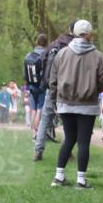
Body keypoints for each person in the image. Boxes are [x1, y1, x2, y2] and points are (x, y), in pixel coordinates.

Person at [48, 20, 103, 189]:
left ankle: (58, 177)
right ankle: (81, 180)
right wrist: (93, 90)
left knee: (69, 139)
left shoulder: (62, 54)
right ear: (90, 35)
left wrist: (54, 100)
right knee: (83, 142)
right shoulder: (99, 57)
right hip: (88, 105)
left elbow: (53, 80)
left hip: (65, 103)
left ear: (74, 33)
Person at [33, 21, 76, 161]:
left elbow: (42, 62)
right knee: (68, 121)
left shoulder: (53, 44)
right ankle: (67, 151)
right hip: (66, 88)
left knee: (45, 119)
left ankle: (38, 150)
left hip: (50, 87)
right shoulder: (74, 46)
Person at [24, 33, 49, 135]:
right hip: (41, 87)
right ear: (46, 43)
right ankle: (37, 133)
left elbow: (25, 73)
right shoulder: (45, 55)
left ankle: (33, 133)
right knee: (39, 109)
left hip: (31, 86)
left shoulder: (28, 55)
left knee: (33, 109)